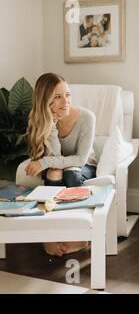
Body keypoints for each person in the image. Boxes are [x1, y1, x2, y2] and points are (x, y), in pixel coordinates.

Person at [25, 73, 97, 257]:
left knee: (71, 173)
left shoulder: (87, 118)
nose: (65, 101)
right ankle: (50, 233)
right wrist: (52, 126)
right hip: (57, 166)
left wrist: (45, 162)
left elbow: (80, 159)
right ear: (44, 100)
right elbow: (55, 156)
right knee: (54, 173)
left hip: (84, 166)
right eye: (57, 97)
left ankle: (81, 236)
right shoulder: (40, 120)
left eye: (67, 94)